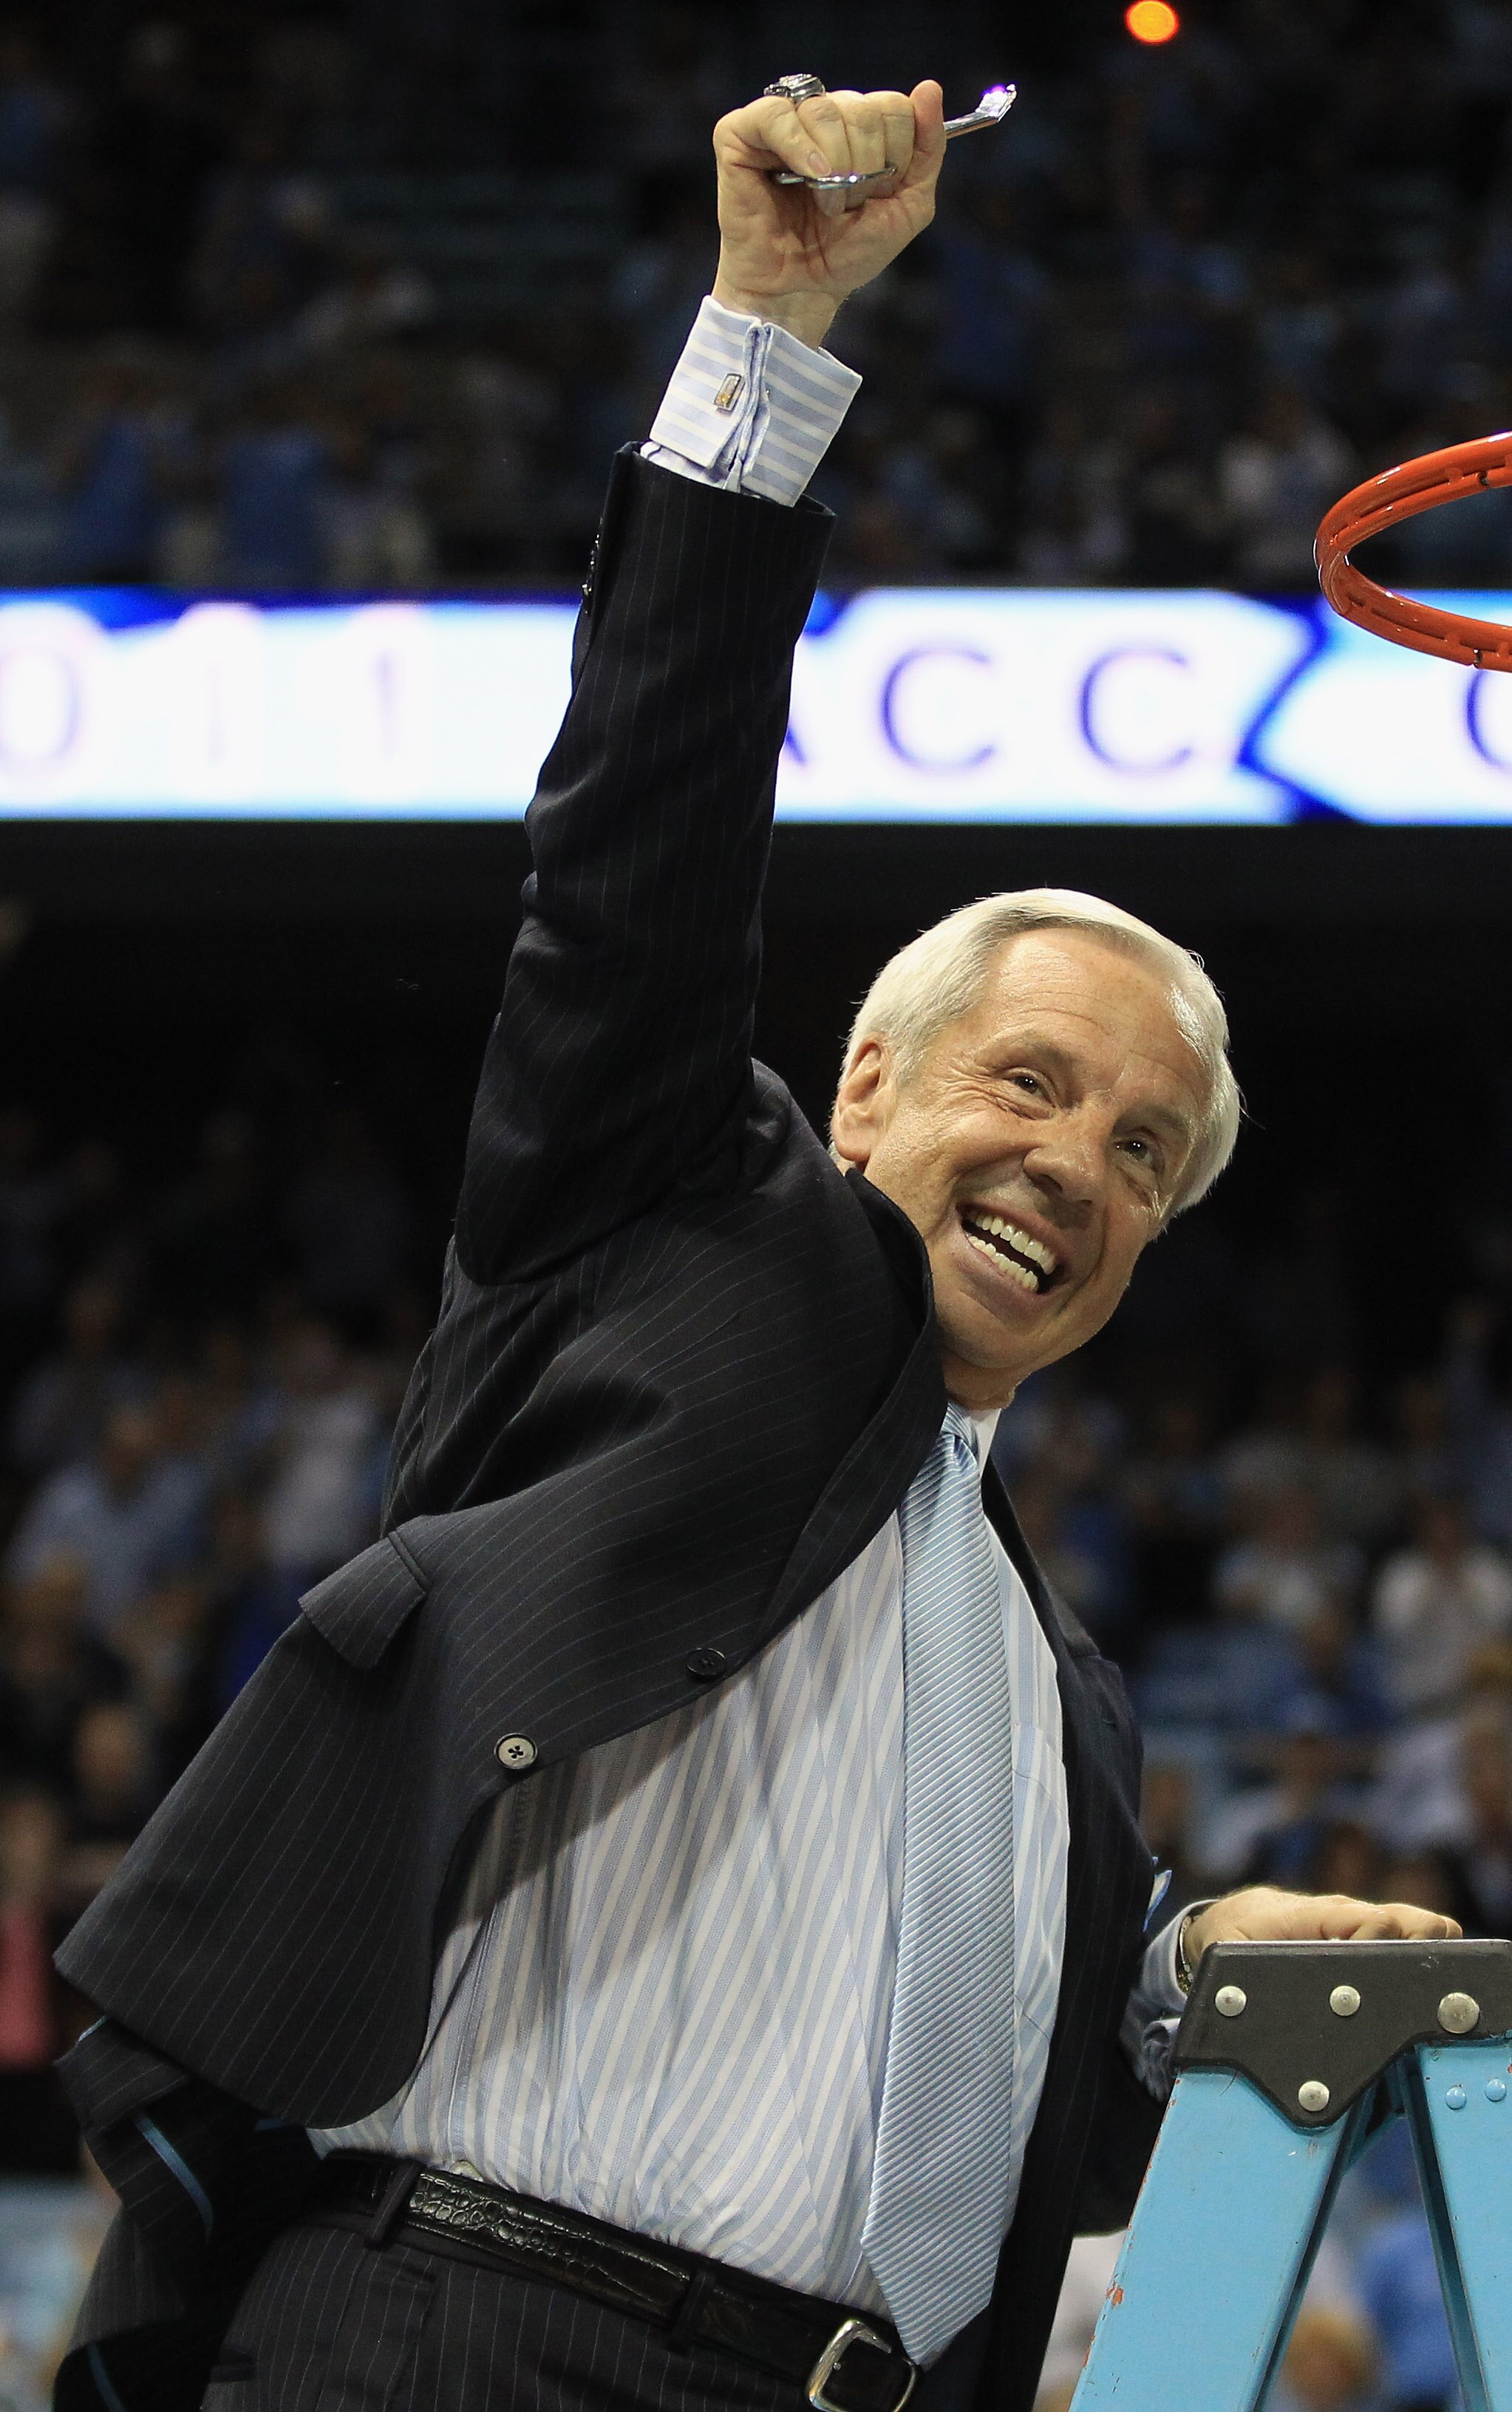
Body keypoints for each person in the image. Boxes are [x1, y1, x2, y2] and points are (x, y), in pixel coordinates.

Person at [52, 80, 1455, 2412]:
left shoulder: (1052, 1695)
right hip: (454, 2340)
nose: (1080, 1165)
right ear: (867, 1091)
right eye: (1031, 1082)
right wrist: (771, 341)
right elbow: (643, 842)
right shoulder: (664, 1238)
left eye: (1145, 1147)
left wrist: (1176, 1957)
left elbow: (962, 2054)